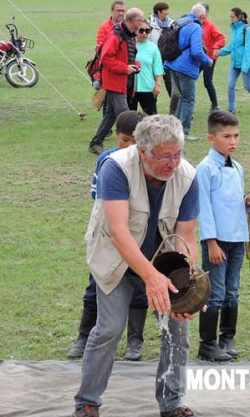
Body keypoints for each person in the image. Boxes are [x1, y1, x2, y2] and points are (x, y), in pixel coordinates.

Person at [73, 114, 201, 417]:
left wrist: (188, 286)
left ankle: (172, 403)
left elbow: (185, 237)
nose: (173, 163)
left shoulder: (188, 175)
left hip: (164, 263)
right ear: (143, 151)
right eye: (165, 156)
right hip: (115, 259)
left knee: (178, 328)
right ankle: (87, 403)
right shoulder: (115, 167)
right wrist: (150, 277)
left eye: (178, 154)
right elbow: (118, 232)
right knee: (109, 328)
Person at [69, 111, 146, 361]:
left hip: (139, 234)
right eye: (125, 140)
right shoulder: (107, 161)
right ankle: (84, 335)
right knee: (97, 284)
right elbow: (99, 200)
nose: (129, 147)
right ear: (116, 137)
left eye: (135, 142)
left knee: (140, 287)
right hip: (107, 233)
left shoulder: (148, 161)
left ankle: (135, 340)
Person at [195, 111, 250, 362]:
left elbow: (230, 203)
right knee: (215, 291)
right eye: (226, 136)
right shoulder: (205, 169)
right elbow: (205, 207)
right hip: (218, 241)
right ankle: (207, 343)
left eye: (236, 136)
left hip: (236, 238)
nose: (232, 141)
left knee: (232, 290)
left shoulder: (237, 168)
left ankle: (227, 338)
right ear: (211, 138)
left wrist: (248, 203)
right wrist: (211, 242)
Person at [87, 8, 144, 155]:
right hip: (114, 82)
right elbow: (106, 59)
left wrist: (135, 65)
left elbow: (127, 56)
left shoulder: (128, 36)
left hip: (121, 81)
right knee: (125, 114)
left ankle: (96, 143)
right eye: (142, 20)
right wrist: (126, 68)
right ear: (135, 21)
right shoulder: (115, 36)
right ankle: (136, 144)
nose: (143, 23)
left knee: (111, 115)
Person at [164, 3, 213, 141]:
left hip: (173, 64)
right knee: (189, 99)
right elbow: (196, 51)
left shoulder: (181, 21)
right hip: (186, 68)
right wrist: (208, 60)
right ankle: (183, 132)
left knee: (182, 98)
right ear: (202, 16)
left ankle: (176, 129)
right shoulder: (196, 27)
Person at [217, 7, 250, 114]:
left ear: (239, 17)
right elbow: (231, 47)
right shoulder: (235, 29)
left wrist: (245, 66)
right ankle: (231, 109)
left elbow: (248, 49)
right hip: (234, 64)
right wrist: (220, 52)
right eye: (230, 17)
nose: (230, 19)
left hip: (246, 64)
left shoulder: (247, 29)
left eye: (232, 17)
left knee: (248, 86)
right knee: (230, 85)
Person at [131, 21, 164, 115]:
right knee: (129, 118)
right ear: (136, 31)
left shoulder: (153, 48)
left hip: (148, 88)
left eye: (147, 31)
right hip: (131, 88)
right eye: (141, 30)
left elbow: (158, 69)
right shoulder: (130, 44)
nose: (144, 33)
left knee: (152, 117)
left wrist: (158, 85)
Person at [198, 2, 226, 112]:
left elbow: (221, 38)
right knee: (190, 79)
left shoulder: (210, 25)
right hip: (198, 57)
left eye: (202, 11)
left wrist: (216, 47)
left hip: (209, 58)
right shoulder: (195, 24)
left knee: (207, 82)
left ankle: (215, 105)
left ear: (206, 13)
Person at [147, 2, 174, 101]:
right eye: (165, 10)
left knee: (172, 87)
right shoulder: (149, 24)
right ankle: (150, 111)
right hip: (154, 61)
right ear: (158, 11)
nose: (167, 12)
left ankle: (176, 111)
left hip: (167, 60)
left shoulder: (171, 24)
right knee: (153, 87)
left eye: (167, 10)